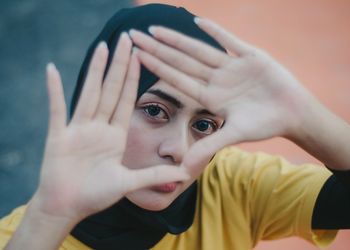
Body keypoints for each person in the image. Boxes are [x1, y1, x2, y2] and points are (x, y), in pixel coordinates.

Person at [1, 3, 350, 250]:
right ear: (99, 102)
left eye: (204, 123)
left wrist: (305, 117)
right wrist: (50, 218)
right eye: (155, 110)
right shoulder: (25, 236)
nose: (180, 150)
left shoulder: (231, 185)